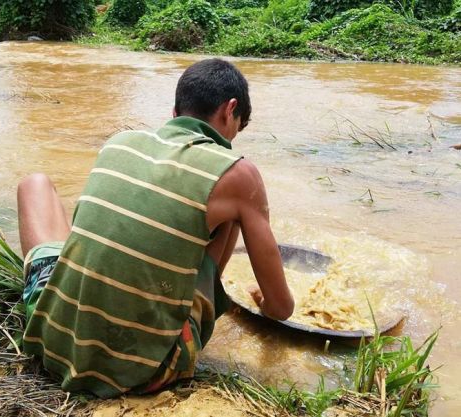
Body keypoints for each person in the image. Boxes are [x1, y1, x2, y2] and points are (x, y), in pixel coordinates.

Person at [17, 58, 294, 398]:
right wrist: (261, 301)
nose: (233, 137)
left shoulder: (120, 142)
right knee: (234, 213)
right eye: (238, 125)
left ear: (176, 109)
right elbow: (282, 309)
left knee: (35, 184)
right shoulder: (237, 173)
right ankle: (189, 313)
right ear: (229, 110)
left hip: (50, 338)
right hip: (141, 371)